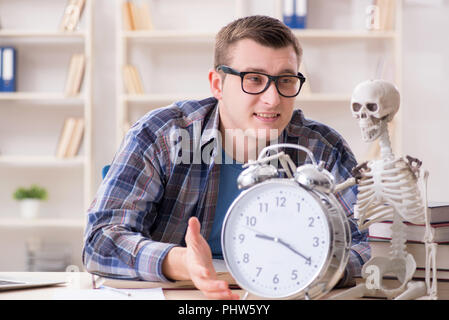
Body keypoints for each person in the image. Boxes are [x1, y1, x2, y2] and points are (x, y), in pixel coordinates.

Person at [83, 15, 369, 300]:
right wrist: (182, 263)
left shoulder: (321, 148)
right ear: (217, 85)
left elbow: (369, 242)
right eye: (254, 79)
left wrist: (315, 270)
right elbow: (101, 240)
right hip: (185, 294)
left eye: (285, 80)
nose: (273, 99)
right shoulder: (160, 135)